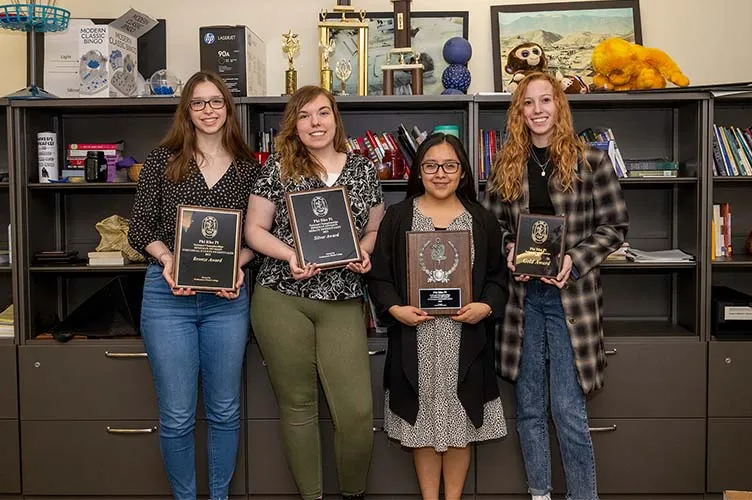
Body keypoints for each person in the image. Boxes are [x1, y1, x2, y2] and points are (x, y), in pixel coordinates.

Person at [483, 71, 629, 500]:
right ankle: (540, 494)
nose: (538, 111)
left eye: (546, 101)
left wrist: (573, 260)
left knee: (568, 410)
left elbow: (615, 226)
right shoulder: (506, 163)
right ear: (519, 111)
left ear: (559, 106)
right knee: (529, 410)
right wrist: (509, 251)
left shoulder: (592, 161)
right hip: (523, 301)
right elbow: (492, 227)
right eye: (528, 103)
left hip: (573, 299)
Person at [244, 85, 384, 500]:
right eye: (305, 116)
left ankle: (353, 493)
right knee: (299, 407)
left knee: (357, 413)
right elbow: (253, 230)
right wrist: (290, 255)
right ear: (294, 125)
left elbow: (374, 227)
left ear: (335, 118)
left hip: (342, 297)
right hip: (282, 297)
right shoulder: (277, 168)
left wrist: (364, 249)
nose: (315, 123)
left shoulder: (363, 168)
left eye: (323, 113)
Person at [128, 70, 260, 500]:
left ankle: (218, 496)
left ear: (228, 108)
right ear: (187, 110)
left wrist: (238, 265)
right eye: (199, 102)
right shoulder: (161, 161)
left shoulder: (248, 169)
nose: (208, 110)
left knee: (224, 411)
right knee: (178, 416)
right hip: (168, 300)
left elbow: (256, 237)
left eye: (216, 102)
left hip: (226, 301)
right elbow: (140, 230)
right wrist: (167, 260)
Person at [367, 133, 508, 500]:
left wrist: (486, 307)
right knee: (424, 427)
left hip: (466, 342)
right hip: (417, 340)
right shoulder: (399, 217)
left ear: (462, 172)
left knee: (459, 427)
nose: (440, 174)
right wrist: (396, 308)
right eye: (431, 166)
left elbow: (498, 278)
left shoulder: (482, 220)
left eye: (449, 166)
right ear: (419, 171)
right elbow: (379, 277)